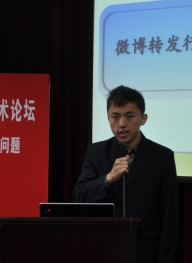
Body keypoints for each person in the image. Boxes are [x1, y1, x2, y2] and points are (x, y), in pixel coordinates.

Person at [73, 85, 178, 263]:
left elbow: (170, 216)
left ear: (143, 118)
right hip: (104, 250)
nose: (121, 124)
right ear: (108, 118)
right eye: (115, 117)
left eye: (129, 116)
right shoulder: (96, 152)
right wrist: (107, 179)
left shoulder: (163, 157)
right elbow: (79, 196)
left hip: (146, 252)